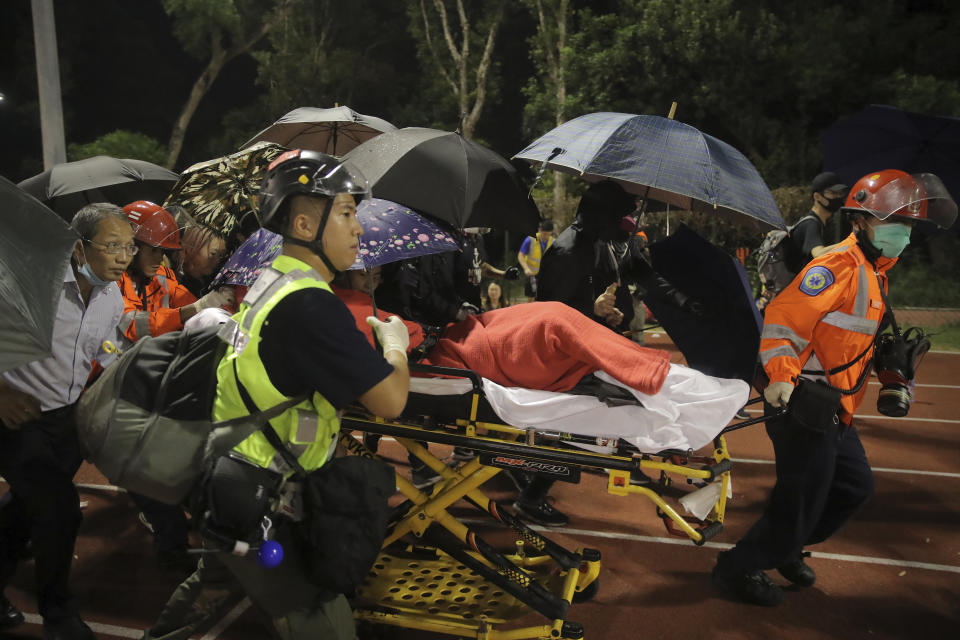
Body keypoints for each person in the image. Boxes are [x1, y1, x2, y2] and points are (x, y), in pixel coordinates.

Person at [142, 150, 410, 640]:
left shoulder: (275, 282)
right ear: (305, 223)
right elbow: (391, 402)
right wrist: (397, 349)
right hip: (262, 496)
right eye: (348, 213)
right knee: (321, 620)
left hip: (229, 481)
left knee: (212, 586)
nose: (359, 230)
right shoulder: (310, 303)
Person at [711, 169, 957, 607]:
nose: (903, 232)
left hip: (836, 406)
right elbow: (785, 321)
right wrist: (783, 378)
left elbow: (849, 338)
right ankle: (738, 567)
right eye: (892, 222)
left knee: (853, 487)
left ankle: (786, 545)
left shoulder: (875, 272)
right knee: (801, 496)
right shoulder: (836, 266)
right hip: (802, 402)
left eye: (908, 225)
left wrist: (887, 360)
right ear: (860, 221)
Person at [519, 180, 699, 526]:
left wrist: (680, 299)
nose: (628, 226)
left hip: (600, 344)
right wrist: (592, 310)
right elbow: (548, 316)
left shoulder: (610, 241)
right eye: (620, 219)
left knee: (611, 409)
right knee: (585, 422)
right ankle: (533, 494)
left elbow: (641, 273)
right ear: (600, 217)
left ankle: (615, 459)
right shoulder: (569, 251)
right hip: (571, 357)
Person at [0, 203, 133, 640]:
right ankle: (58, 612)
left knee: (25, 508)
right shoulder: (32, 285)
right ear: (79, 248)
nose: (123, 256)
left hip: (67, 418)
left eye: (129, 247)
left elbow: (105, 352)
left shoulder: (114, 294)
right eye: (112, 245)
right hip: (16, 418)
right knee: (58, 510)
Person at [118, 201, 235, 572]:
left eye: (168, 251)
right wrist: (194, 309)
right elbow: (131, 324)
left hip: (148, 382)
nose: (163, 258)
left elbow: (194, 309)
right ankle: (172, 541)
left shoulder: (161, 277)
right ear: (132, 246)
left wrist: (228, 306)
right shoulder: (112, 281)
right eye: (156, 250)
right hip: (108, 388)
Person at [792, 171, 849, 263]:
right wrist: (850, 243)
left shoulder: (824, 222)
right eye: (833, 193)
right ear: (817, 196)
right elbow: (818, 254)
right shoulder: (811, 224)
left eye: (840, 193)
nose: (838, 197)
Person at [516, 219, 555, 297]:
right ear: (539, 230)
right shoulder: (530, 240)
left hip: (545, 277)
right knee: (531, 298)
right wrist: (526, 268)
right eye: (544, 234)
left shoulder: (553, 242)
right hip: (531, 275)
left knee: (545, 298)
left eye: (548, 234)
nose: (546, 237)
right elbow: (520, 256)